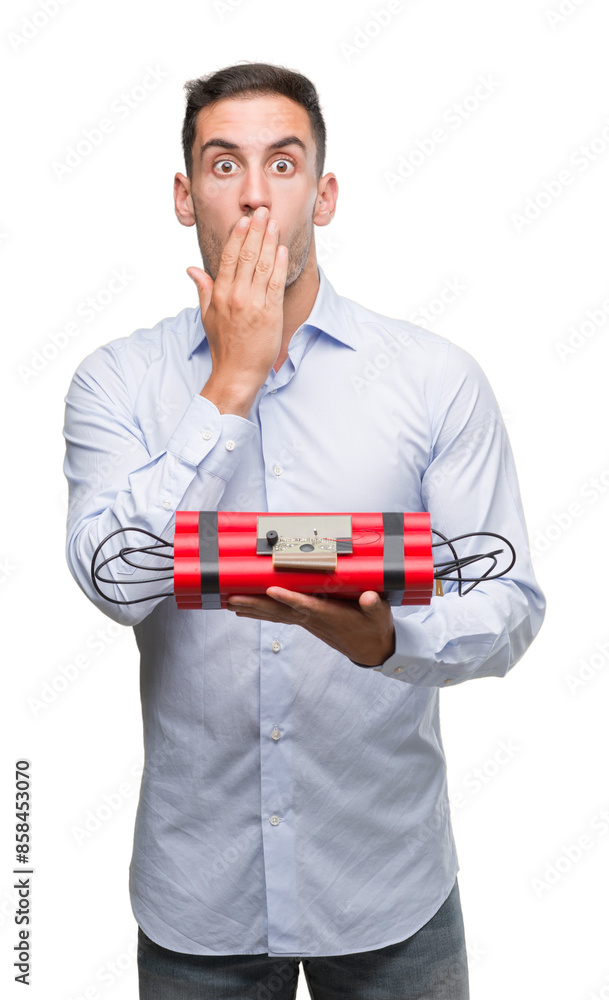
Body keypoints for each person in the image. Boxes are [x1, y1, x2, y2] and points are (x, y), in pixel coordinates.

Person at [63, 61, 546, 999]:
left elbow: (511, 602)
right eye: (222, 164)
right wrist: (230, 383)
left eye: (282, 166)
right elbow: (115, 583)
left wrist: (391, 639)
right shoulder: (114, 383)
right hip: (198, 897)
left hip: (388, 890)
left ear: (323, 196)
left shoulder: (431, 377)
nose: (252, 198)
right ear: (181, 194)